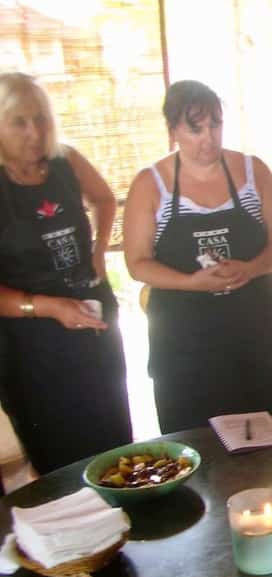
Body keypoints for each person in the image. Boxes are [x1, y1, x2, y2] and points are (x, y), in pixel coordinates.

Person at [123, 80, 272, 434]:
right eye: (195, 128)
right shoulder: (150, 185)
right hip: (184, 338)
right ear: (173, 131)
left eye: (215, 124)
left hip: (254, 327)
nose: (209, 138)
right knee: (195, 437)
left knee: (270, 431)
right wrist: (191, 282)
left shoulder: (253, 172)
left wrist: (250, 268)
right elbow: (137, 263)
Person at [0, 72, 132, 474]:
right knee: (59, 455)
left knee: (112, 439)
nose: (34, 132)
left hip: (91, 320)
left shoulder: (66, 161)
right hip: (31, 338)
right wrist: (47, 306)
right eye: (18, 122)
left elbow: (105, 199)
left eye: (40, 119)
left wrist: (98, 252)